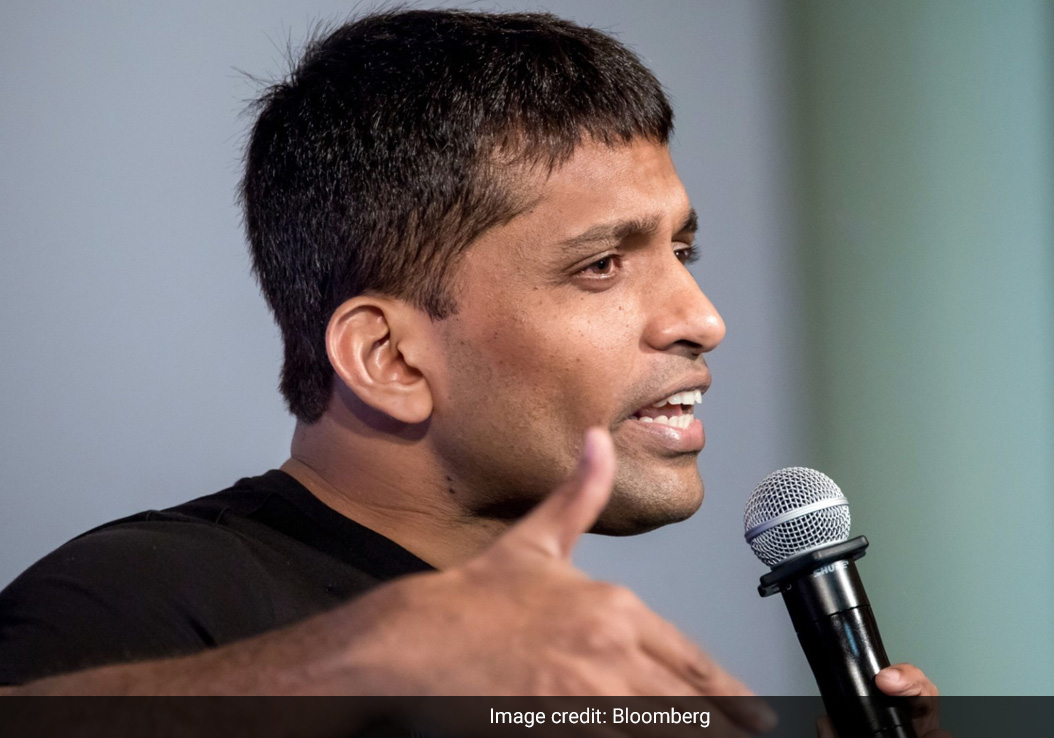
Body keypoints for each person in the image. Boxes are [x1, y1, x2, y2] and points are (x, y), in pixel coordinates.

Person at [0, 7, 939, 728]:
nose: (703, 319)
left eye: (682, 253)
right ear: (389, 358)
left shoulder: (586, 681)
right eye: (601, 266)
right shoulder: (136, 602)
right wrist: (362, 661)